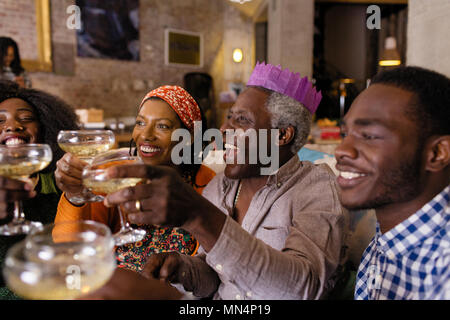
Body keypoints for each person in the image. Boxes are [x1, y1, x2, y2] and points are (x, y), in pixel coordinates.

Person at [84, 62, 350, 300]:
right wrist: (183, 268)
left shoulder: (316, 187)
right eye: (229, 118)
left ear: (282, 135)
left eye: (242, 121)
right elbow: (214, 277)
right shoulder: (223, 185)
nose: (224, 130)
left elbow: (302, 290)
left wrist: (201, 216)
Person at [54, 85, 214, 272]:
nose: (145, 135)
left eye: (162, 126)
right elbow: (68, 248)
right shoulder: (112, 175)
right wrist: (75, 196)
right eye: (140, 123)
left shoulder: (209, 183)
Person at [334, 66, 450, 300]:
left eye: (369, 136)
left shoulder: (443, 270)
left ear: (437, 153)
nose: (341, 150)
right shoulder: (387, 238)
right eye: (346, 133)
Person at [0, 80, 79, 299]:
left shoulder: (62, 185)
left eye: (26, 119)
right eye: (0, 120)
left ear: (45, 130)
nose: (13, 126)